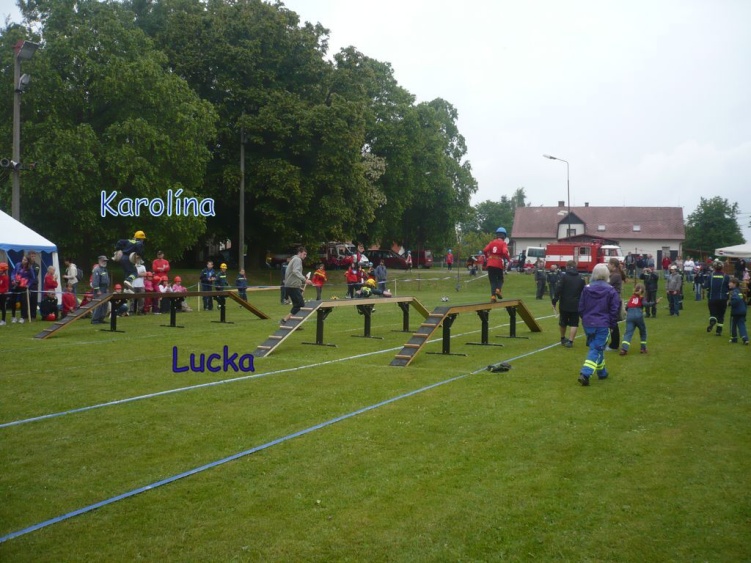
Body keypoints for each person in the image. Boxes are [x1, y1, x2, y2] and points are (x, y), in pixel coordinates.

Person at [577, 263, 620, 386]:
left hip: (588, 323)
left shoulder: (587, 288)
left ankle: (602, 372)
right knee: (596, 348)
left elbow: (581, 307)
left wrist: (585, 318)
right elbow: (614, 309)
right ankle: (585, 373)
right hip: (602, 323)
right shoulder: (610, 290)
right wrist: (612, 325)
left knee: (596, 347)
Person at [619, 283, 660, 355]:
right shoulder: (641, 298)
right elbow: (646, 304)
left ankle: (624, 349)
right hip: (638, 315)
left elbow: (627, 307)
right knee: (643, 331)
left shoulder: (632, 297)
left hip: (630, 316)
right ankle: (643, 348)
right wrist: (655, 302)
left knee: (628, 333)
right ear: (643, 291)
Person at [552, 260, 585, 347]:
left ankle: (563, 338)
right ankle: (570, 341)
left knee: (563, 321)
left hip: (564, 303)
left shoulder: (564, 276)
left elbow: (558, 289)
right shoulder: (581, 277)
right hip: (576, 303)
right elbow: (584, 291)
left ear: (567, 266)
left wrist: (554, 300)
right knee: (574, 323)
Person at [281, 246, 313, 324]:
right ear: (299, 253)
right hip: (292, 286)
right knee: (300, 304)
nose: (305, 256)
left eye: (306, 254)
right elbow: (296, 271)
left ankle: (292, 322)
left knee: (298, 305)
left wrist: (299, 287)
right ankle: (285, 320)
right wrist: (305, 280)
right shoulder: (297, 259)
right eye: (304, 254)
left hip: (291, 286)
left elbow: (293, 274)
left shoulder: (293, 259)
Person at [483, 227, 511, 302]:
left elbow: (485, 250)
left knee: (493, 281)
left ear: (497, 235)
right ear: (504, 236)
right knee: (500, 279)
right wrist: (508, 259)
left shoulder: (491, 242)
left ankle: (493, 297)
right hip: (498, 264)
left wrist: (487, 257)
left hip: (490, 263)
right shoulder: (503, 243)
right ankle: (498, 290)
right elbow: (504, 252)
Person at [704, 259, 730, 336]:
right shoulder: (726, 276)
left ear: (714, 267)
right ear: (722, 267)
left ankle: (712, 322)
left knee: (713, 313)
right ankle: (718, 331)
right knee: (721, 315)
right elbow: (729, 287)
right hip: (723, 299)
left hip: (712, 298)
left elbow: (706, 286)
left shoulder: (710, 276)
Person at [607, 257, 626, 350]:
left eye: (608, 264)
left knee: (613, 322)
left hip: (614, 300)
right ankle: (613, 343)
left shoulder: (616, 275)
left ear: (613, 265)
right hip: (613, 300)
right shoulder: (614, 274)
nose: (607, 265)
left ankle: (614, 345)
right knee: (612, 322)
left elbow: (607, 285)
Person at [10, 255, 36, 323]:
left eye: (25, 260)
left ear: (28, 261)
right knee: (13, 300)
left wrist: (28, 285)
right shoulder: (17, 265)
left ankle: (22, 317)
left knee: (23, 301)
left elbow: (32, 278)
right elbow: (13, 273)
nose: (23, 261)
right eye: (23, 259)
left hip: (23, 286)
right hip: (15, 285)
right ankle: (13, 316)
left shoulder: (30, 268)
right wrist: (13, 279)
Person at [90, 256, 110, 325]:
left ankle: (101, 319)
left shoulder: (105, 269)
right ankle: (95, 320)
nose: (105, 262)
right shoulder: (96, 270)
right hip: (99, 289)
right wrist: (98, 290)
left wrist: (107, 288)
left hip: (105, 289)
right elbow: (95, 281)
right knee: (98, 305)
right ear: (99, 261)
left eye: (105, 261)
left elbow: (107, 279)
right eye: (103, 261)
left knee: (105, 304)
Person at [728, 277, 748, 344]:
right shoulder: (740, 291)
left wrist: (730, 303)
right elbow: (744, 301)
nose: (729, 284)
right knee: (741, 325)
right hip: (743, 310)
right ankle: (745, 338)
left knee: (733, 324)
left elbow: (736, 300)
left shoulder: (735, 292)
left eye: (730, 283)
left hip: (736, 312)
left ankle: (734, 338)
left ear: (734, 284)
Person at [26, 250, 41, 320]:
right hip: (26, 284)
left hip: (34, 284)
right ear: (29, 256)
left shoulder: (37, 265)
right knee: (26, 300)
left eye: (34, 256)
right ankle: (26, 315)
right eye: (32, 256)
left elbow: (35, 274)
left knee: (34, 300)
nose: (33, 257)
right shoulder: (26, 265)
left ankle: (33, 316)